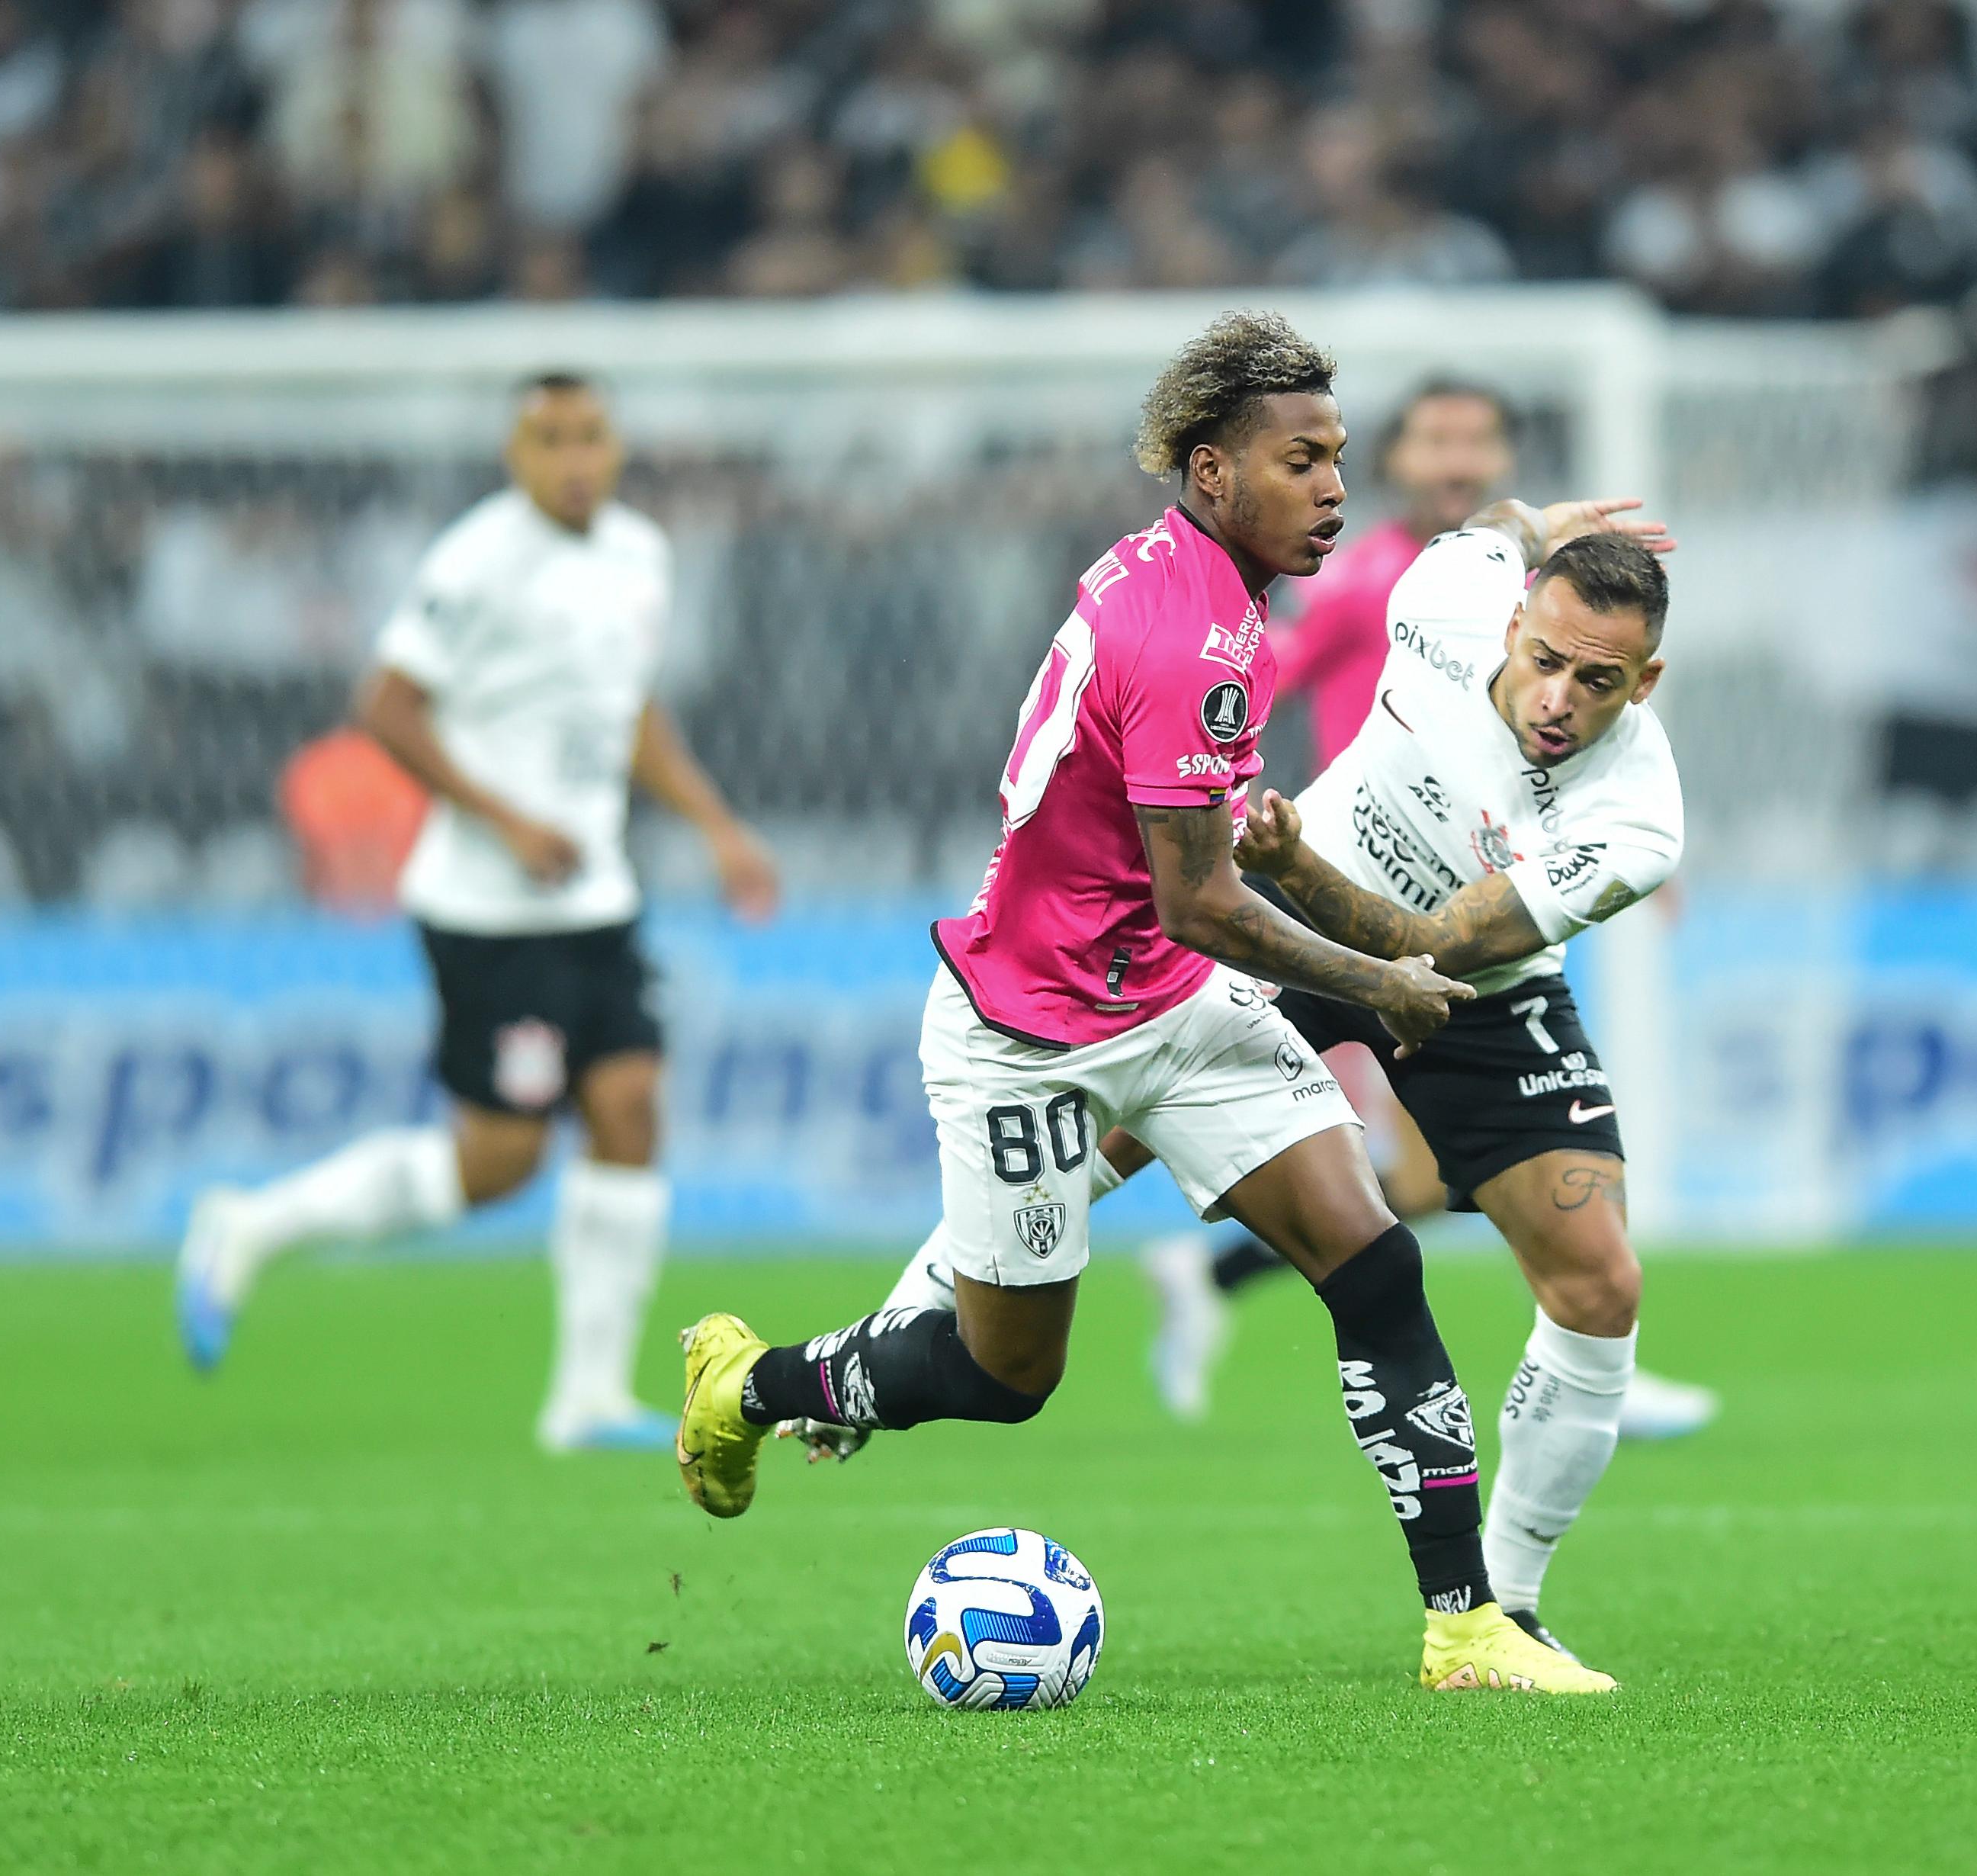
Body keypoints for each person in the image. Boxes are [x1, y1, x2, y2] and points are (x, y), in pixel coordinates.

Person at [673, 310, 1613, 1695]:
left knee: (1373, 1261)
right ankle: (747, 1385)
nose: (1334, 487)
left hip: (1168, 1005)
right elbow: (1202, 899)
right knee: (1005, 1377)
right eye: (1302, 461)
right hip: (1031, 1032)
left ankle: (1466, 1627)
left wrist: (1520, 524)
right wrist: (1382, 984)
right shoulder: (1195, 641)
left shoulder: (1201, 577)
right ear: (1210, 468)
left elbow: (1188, 914)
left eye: (1340, 457)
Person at [878, 495, 1687, 1673]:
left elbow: (1431, 947)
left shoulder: (1636, 819)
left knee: (1600, 1280)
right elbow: (1493, 523)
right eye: (1547, 658)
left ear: (1645, 685)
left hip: (1464, 982)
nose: (1561, 698)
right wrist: (1531, 515)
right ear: (1511, 621)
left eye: (1599, 682)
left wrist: (1295, 858)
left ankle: (1499, 1611)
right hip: (1283, 930)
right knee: (1087, 1148)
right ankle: (898, 1335)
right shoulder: (1444, 595)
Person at [174, 373, 778, 1454]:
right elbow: (385, 708)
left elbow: (628, 708)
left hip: (594, 895)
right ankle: (249, 1225)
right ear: (516, 453)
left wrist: (716, 827)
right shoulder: (475, 559)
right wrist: (505, 822)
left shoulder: (641, 553)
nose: (574, 458)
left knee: (631, 1108)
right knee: (497, 1162)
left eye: (590, 435)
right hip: (491, 910)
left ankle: (586, 1397)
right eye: (550, 440)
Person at [1142, 377, 1720, 1449]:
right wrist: (1218, 803)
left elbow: (1508, 555)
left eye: (1478, 441)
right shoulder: (1375, 580)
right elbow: (1257, 678)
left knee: (1412, 1176)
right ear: (1399, 459)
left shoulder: (1503, 576)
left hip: (1456, 898)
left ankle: (1219, 1270)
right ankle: (972, 1301)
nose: (1457, 461)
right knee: (1133, 1121)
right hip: (1311, 870)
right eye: (1435, 441)